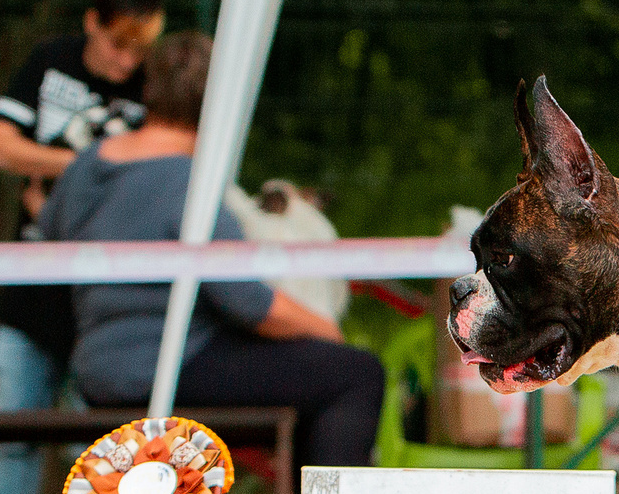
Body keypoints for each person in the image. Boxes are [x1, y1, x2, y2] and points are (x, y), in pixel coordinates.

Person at [38, 31, 385, 470]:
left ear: (149, 89)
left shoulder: (85, 168)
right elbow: (249, 304)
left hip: (94, 371)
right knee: (353, 373)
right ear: (220, 102)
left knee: (310, 373)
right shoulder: (191, 184)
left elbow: (47, 232)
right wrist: (323, 328)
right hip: (173, 365)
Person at [0, 0, 166, 494]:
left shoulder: (160, 86)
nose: (125, 63)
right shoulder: (49, 61)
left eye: (140, 50)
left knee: (106, 431)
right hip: (35, 274)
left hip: (112, 291)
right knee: (14, 419)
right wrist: (81, 170)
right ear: (92, 22)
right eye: (116, 44)